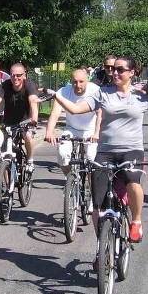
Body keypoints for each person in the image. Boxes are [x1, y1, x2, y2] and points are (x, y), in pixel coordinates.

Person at [52, 56, 148, 244]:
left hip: (132, 149)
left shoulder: (141, 95)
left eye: (120, 70)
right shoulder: (103, 93)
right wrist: (56, 96)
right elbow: (76, 109)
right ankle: (101, 247)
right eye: (113, 69)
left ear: (132, 73)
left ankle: (136, 221)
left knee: (132, 180)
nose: (115, 73)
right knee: (98, 205)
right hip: (105, 151)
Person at [44, 67, 102, 210]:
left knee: (91, 159)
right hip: (72, 129)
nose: (78, 85)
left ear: (87, 80)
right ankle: (70, 180)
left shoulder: (95, 90)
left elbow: (100, 113)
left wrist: (97, 133)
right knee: (63, 154)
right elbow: (55, 114)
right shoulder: (64, 92)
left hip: (90, 131)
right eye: (75, 82)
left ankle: (92, 193)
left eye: (81, 81)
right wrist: (49, 132)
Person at [0, 62, 39, 170]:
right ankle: (6, 185)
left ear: (24, 75)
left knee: (27, 136)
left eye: (19, 75)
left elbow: (33, 102)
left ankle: (30, 160)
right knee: (3, 152)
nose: (15, 78)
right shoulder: (5, 85)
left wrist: (34, 119)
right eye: (13, 75)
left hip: (26, 120)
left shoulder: (29, 85)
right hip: (8, 121)